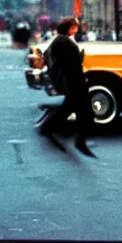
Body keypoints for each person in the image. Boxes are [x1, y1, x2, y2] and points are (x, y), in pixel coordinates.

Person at [36, 16, 97, 158]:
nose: (77, 29)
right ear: (70, 28)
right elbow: (71, 65)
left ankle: (51, 129)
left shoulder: (61, 40)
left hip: (71, 81)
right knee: (85, 112)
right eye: (75, 26)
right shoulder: (64, 42)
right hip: (74, 81)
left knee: (70, 108)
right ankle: (79, 140)